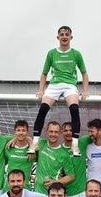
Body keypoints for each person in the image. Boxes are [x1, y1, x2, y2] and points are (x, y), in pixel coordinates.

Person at [31, 25, 89, 157]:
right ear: (58, 37)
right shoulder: (52, 53)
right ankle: (35, 142)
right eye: (62, 35)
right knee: (43, 109)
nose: (64, 37)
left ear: (71, 37)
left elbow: (84, 73)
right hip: (55, 85)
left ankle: (75, 145)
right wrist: (41, 90)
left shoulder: (76, 54)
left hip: (70, 85)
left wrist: (85, 91)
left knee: (74, 109)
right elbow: (44, 73)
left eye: (67, 35)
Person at [32, 121, 75, 194]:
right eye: (51, 131)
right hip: (37, 192)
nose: (53, 134)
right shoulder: (41, 144)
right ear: (46, 131)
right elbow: (24, 138)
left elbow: (71, 176)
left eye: (56, 132)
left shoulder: (64, 154)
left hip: (52, 194)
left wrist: (56, 182)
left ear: (60, 133)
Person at [61, 122, 88, 197]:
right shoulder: (59, 150)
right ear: (62, 132)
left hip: (81, 193)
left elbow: (100, 134)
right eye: (65, 130)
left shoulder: (82, 142)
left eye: (71, 130)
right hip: (66, 195)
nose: (68, 132)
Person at [5, 120, 34, 190]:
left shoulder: (33, 148)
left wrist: (31, 144)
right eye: (18, 130)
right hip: (9, 187)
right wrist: (14, 139)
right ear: (15, 131)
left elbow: (40, 142)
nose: (21, 133)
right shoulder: (8, 146)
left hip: (25, 187)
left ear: (27, 132)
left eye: (23, 130)